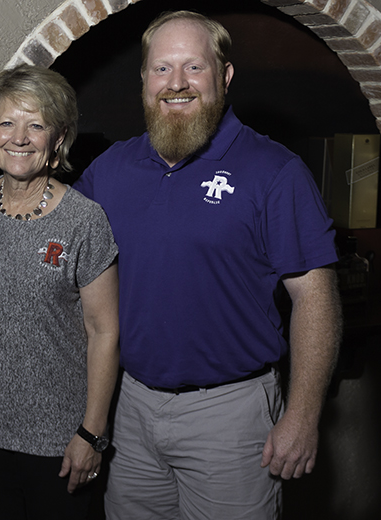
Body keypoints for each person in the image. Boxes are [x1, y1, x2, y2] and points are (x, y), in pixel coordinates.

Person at [74, 10, 343, 520]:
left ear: (225, 76)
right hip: (130, 410)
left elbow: (315, 297)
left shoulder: (274, 171)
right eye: (161, 69)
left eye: (193, 67)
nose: (176, 84)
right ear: (144, 81)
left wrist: (304, 415)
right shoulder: (111, 169)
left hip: (229, 416)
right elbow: (59, 241)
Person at [0, 64, 120, 520]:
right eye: (6, 122)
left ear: (58, 139)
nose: (19, 137)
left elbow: (104, 332)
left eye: (36, 125)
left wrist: (92, 433)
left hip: (58, 444)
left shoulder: (85, 221)